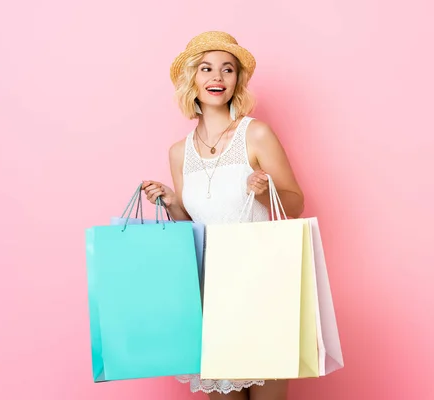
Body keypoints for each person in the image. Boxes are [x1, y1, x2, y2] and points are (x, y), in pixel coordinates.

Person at [142, 31, 304, 400]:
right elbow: (192, 227)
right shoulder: (178, 152)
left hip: (261, 284)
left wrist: (268, 192)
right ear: (191, 80)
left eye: (227, 69)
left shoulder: (257, 134)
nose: (217, 77)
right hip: (209, 292)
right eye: (206, 68)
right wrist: (170, 203)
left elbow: (295, 204)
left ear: (236, 81)